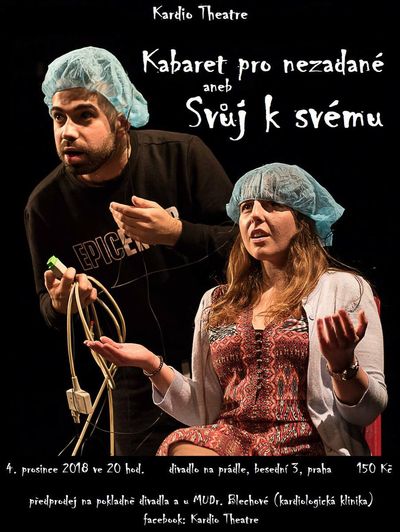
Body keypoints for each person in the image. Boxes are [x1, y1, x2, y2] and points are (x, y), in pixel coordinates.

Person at [86, 162, 388, 456]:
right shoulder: (217, 301)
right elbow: (203, 410)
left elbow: (367, 411)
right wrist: (151, 364)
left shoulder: (342, 289)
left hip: (308, 443)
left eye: (272, 205)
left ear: (302, 220)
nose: (255, 216)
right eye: (246, 207)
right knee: (181, 444)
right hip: (231, 441)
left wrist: (342, 365)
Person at [24, 46, 235, 455]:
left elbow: (248, 250)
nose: (67, 131)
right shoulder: (45, 206)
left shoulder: (181, 156)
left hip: (221, 361)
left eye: (84, 116)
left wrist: (177, 233)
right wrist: (62, 303)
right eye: (58, 117)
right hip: (134, 380)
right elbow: (47, 307)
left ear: (120, 118)